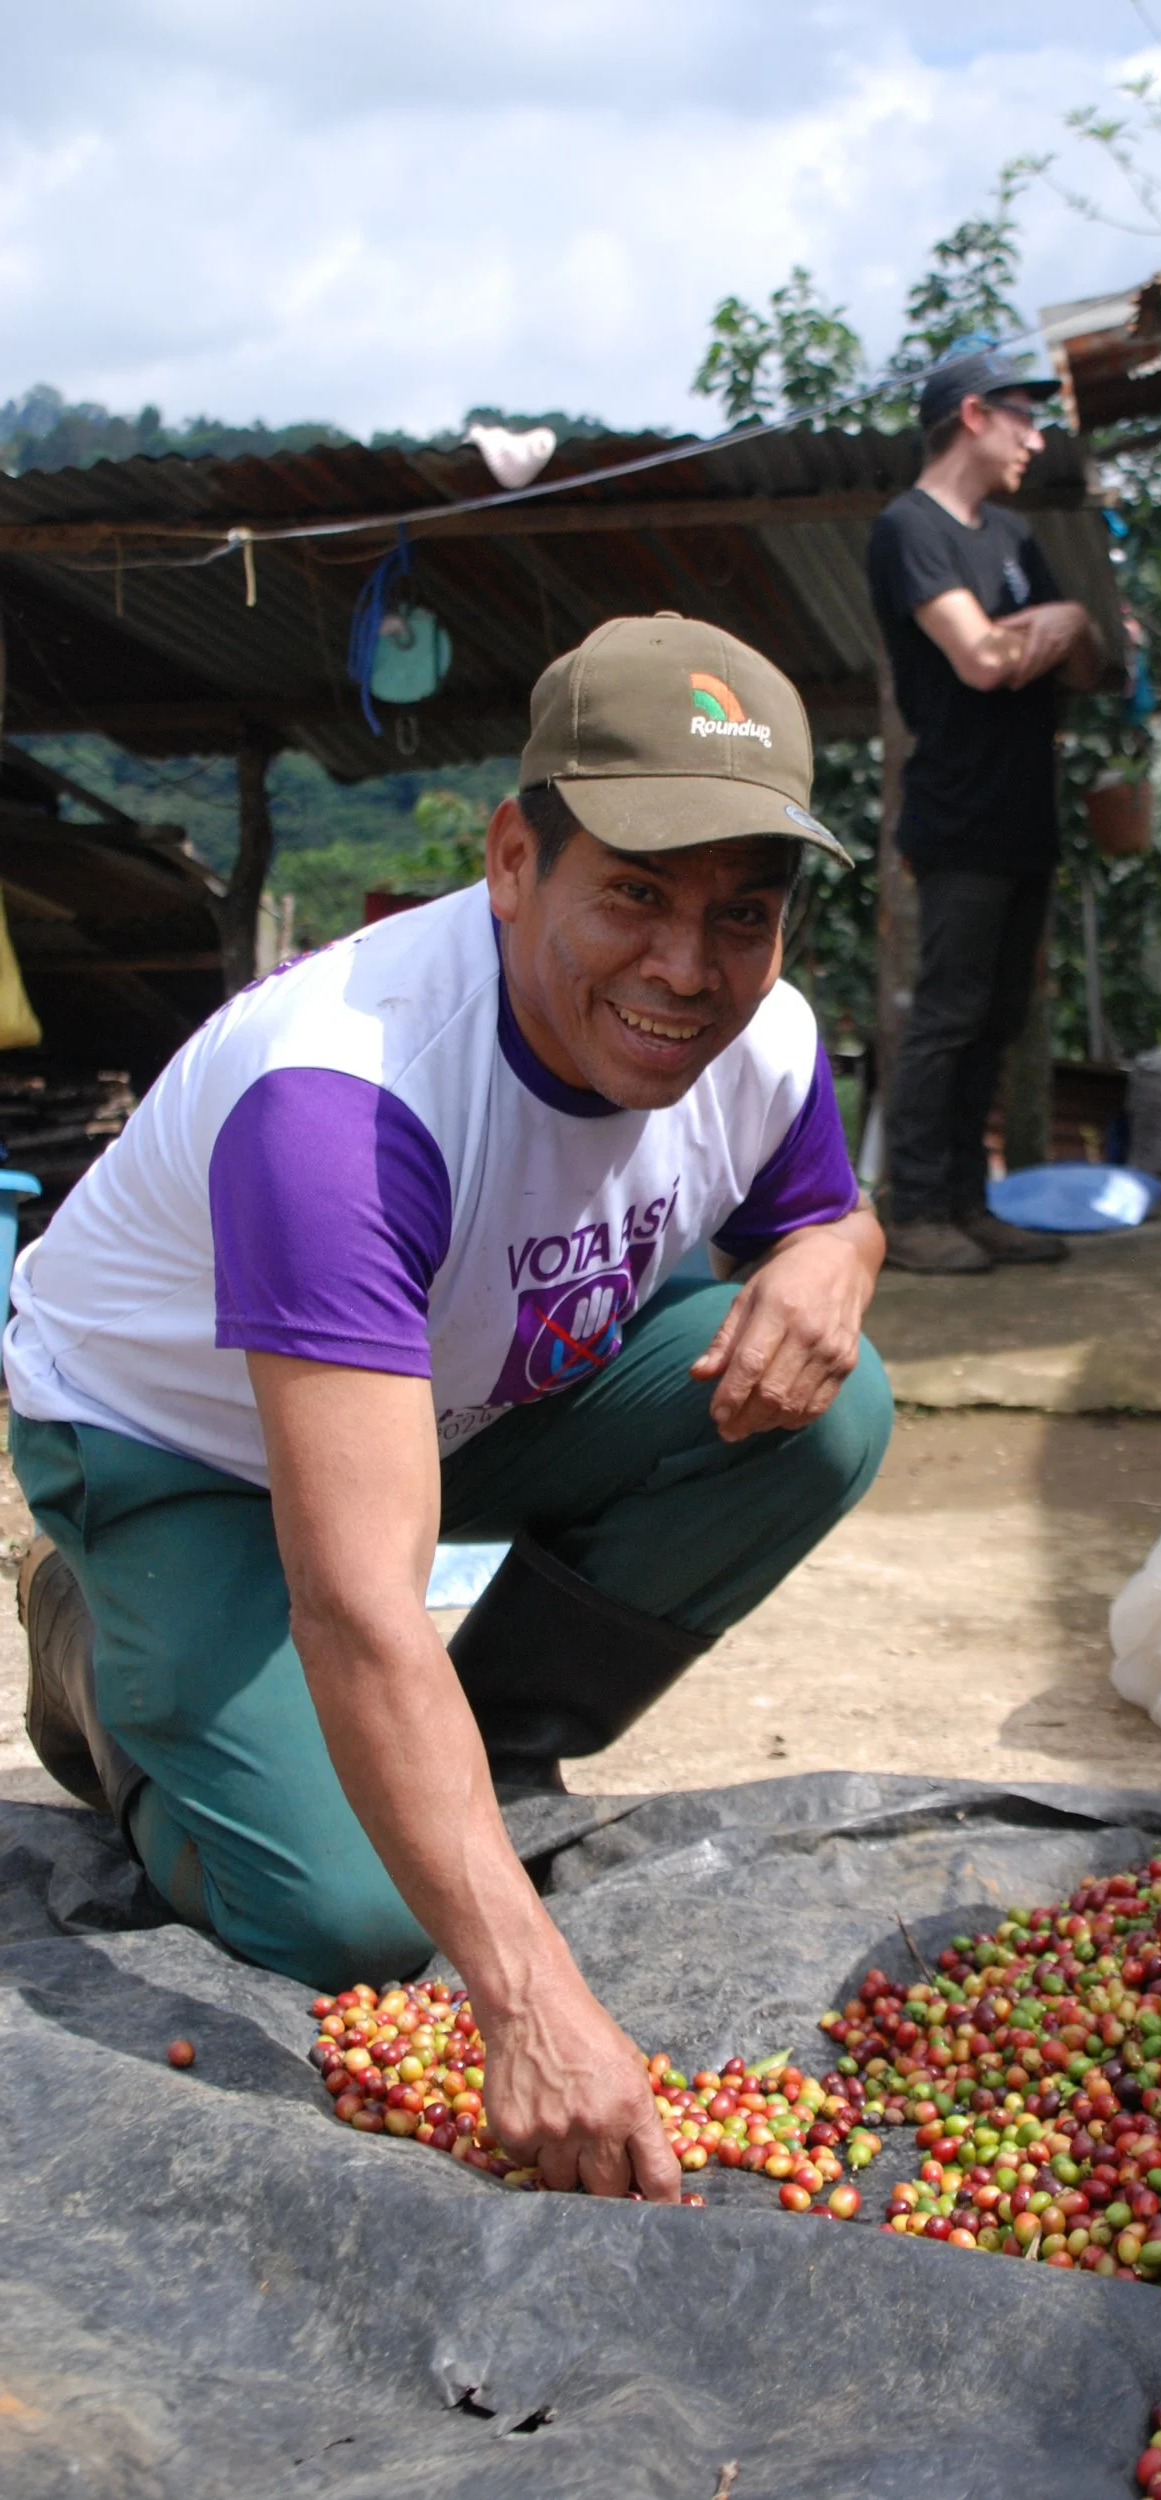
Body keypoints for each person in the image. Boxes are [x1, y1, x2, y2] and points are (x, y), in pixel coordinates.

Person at [5, 615, 893, 2203]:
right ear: (511, 861)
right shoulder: (343, 1104)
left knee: (826, 1411)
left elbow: (822, 1215)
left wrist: (837, 1253)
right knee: (346, 1921)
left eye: (739, 914)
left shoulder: (762, 1039)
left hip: (464, 1399)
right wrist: (528, 1997)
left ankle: (482, 1755)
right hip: (184, 1448)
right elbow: (357, 1600)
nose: (684, 971)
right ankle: (94, 1642)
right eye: (633, 894)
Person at [868, 348, 1109, 1274]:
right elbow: (979, 661)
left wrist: (1064, 627)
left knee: (1000, 1014)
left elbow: (1082, 662)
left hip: (1023, 813)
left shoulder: (1010, 534)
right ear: (972, 415)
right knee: (950, 1011)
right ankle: (916, 1208)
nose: (1035, 438)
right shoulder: (910, 528)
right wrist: (1056, 624)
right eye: (1023, 416)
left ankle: (970, 1204)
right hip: (959, 814)